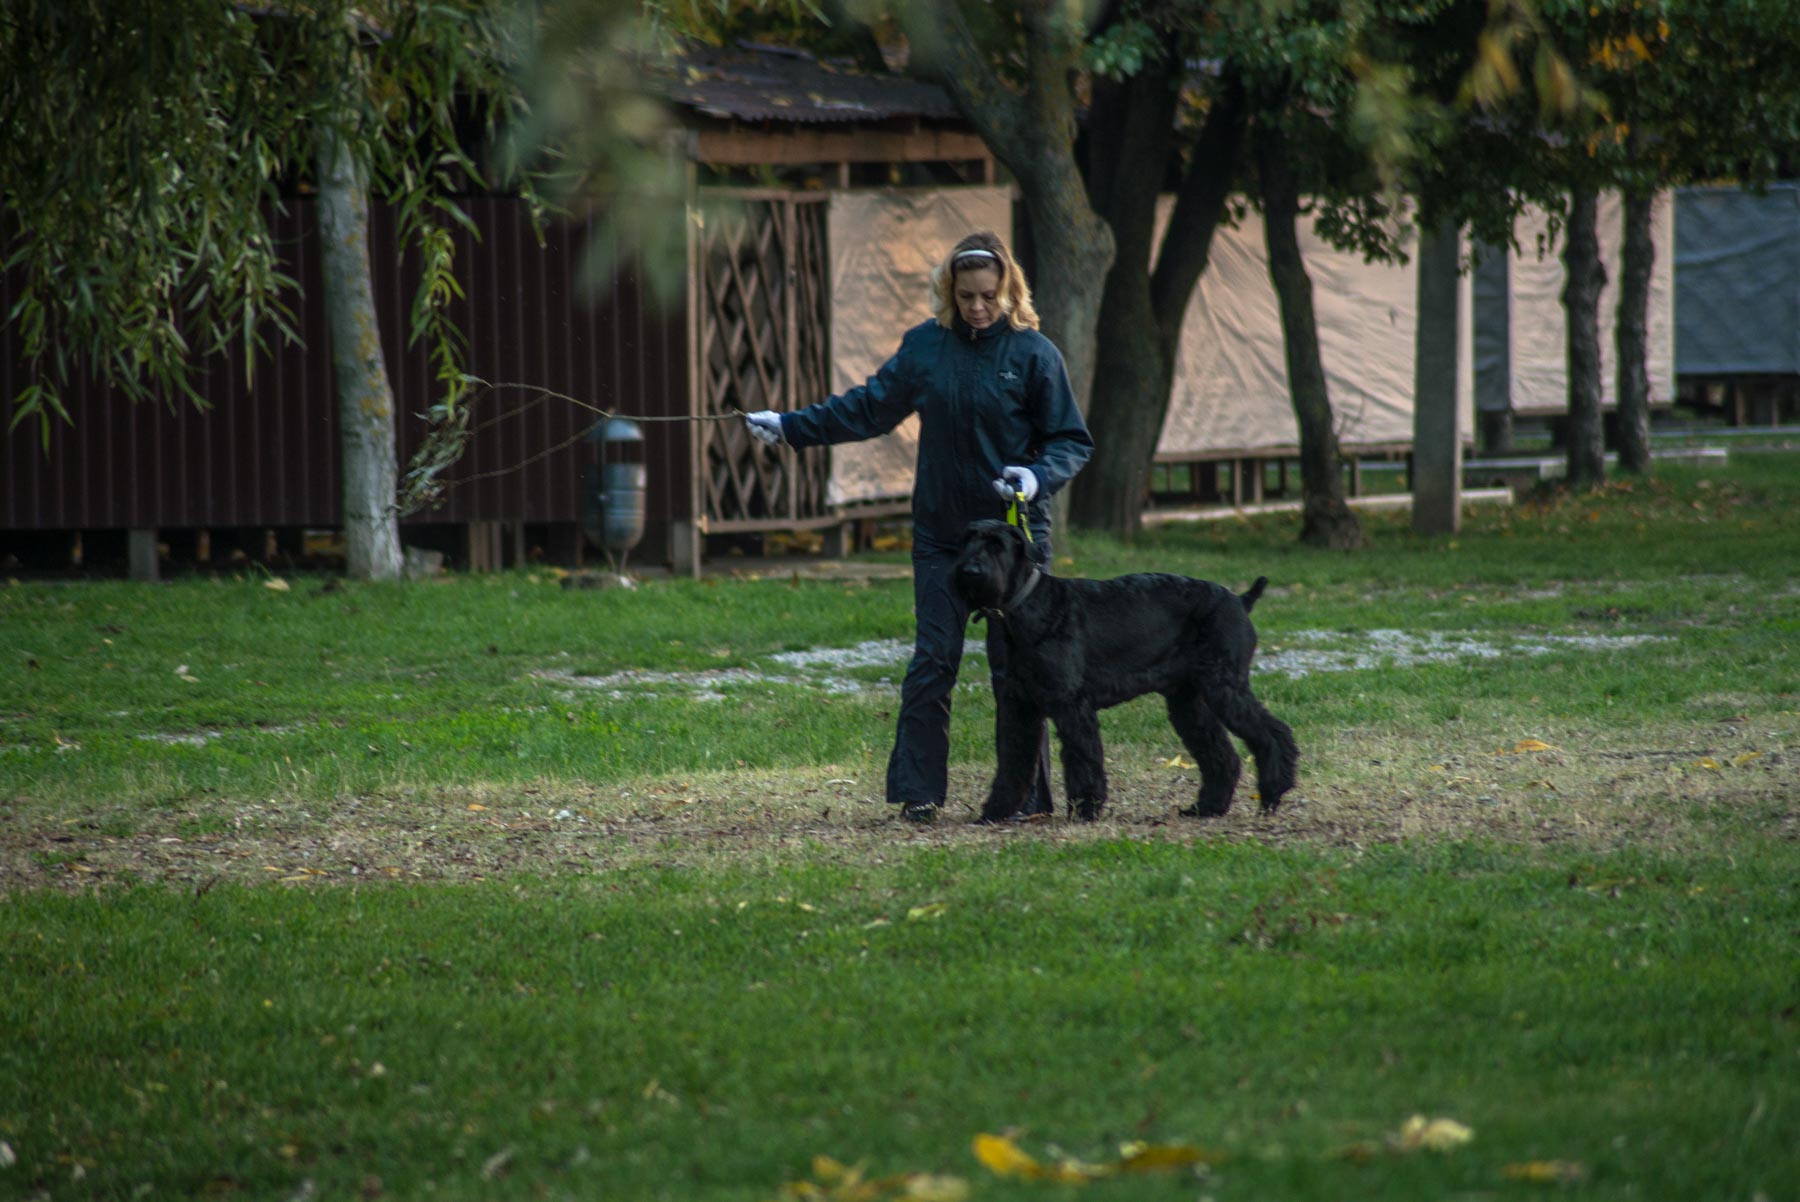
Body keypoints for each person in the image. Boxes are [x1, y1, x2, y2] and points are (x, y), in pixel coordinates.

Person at [742, 230, 1093, 823]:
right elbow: (868, 408)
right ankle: (919, 793)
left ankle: (1027, 799)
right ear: (949, 293)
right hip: (942, 535)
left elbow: (1071, 440)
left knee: (1019, 672)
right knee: (934, 661)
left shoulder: (1035, 355)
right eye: (965, 296)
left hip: (1011, 543)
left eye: (988, 296)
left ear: (1008, 291)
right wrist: (792, 426)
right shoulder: (926, 347)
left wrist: (1037, 478)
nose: (977, 307)